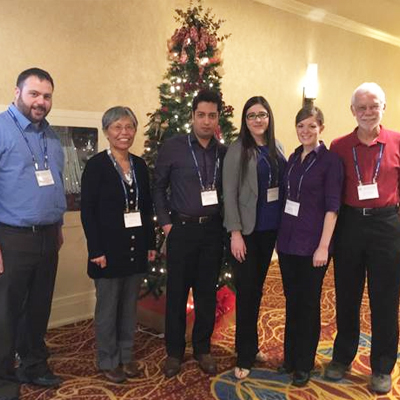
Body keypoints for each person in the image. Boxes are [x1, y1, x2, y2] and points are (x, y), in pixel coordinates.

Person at [324, 82, 400, 395]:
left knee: (385, 299)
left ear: (383, 107)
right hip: (350, 226)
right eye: (361, 108)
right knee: (347, 295)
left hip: (386, 226)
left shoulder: (397, 141)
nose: (367, 113)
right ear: (352, 111)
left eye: (373, 106)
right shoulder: (338, 146)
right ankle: (342, 357)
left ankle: (382, 366)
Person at [0, 68, 66, 400]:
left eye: (47, 96)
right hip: (11, 237)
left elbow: (52, 184)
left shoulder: (51, 136)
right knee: (6, 311)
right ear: (17, 92)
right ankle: (4, 382)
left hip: (47, 237)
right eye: (34, 94)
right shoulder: (1, 129)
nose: (41, 102)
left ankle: (34, 365)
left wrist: (58, 227)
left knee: (38, 308)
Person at [154, 89, 226, 378]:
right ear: (192, 116)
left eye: (212, 115)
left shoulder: (224, 152)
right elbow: (158, 187)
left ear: (218, 117)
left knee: (207, 293)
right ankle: (174, 352)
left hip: (212, 231)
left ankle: (202, 348)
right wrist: (167, 224)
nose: (206, 121)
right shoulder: (173, 147)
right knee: (177, 294)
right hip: (181, 229)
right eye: (201, 115)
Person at [80, 106, 156, 383]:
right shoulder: (96, 166)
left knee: (128, 309)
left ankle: (126, 356)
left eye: (129, 127)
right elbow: (88, 212)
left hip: (135, 249)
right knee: (108, 309)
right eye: (117, 127)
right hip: (107, 253)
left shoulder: (139, 165)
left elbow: (146, 209)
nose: (124, 133)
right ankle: (108, 360)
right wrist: (96, 251)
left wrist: (150, 243)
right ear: (107, 132)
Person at [277, 106, 343, 387]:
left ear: (321, 128)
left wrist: (323, 247)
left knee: (308, 304)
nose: (306, 131)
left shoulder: (330, 162)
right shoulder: (293, 158)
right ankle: (289, 357)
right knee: (292, 302)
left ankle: (304, 363)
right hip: (288, 244)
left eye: (312, 126)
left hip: (313, 246)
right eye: (301, 126)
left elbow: (332, 208)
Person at [223, 96, 286, 379]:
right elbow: (230, 194)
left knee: (257, 290)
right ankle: (245, 355)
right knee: (247, 293)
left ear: (269, 117)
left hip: (270, 231)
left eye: (262, 114)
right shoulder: (238, 150)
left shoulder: (277, 148)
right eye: (251, 116)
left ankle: (252, 345)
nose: (257, 120)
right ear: (244, 121)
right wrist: (235, 233)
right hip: (246, 234)